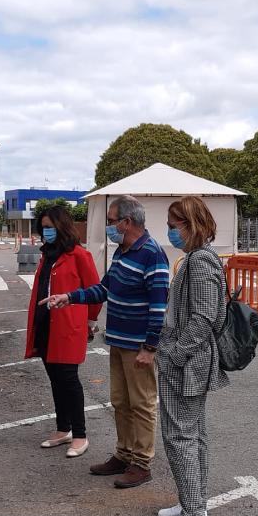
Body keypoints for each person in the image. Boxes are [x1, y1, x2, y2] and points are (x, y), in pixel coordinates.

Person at [43, 194, 169, 489]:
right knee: (121, 402)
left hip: (139, 346)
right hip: (119, 341)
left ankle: (141, 462)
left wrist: (150, 347)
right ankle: (124, 454)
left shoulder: (152, 253)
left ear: (127, 222)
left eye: (112, 222)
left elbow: (159, 304)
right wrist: (70, 297)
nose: (109, 227)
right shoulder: (123, 252)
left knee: (141, 404)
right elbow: (103, 289)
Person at [152, 196, 228, 516]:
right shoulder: (196, 259)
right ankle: (194, 503)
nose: (169, 231)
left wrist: (174, 356)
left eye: (173, 225)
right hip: (186, 361)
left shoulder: (200, 262)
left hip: (186, 365)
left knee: (180, 436)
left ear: (190, 225)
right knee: (192, 435)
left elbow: (204, 318)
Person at [24, 205, 101, 458]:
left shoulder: (80, 255)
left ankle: (80, 435)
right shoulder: (48, 255)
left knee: (69, 380)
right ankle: (63, 428)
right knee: (55, 379)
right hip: (46, 325)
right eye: (43, 228)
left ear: (62, 227)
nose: (46, 232)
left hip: (69, 326)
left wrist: (91, 322)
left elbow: (95, 292)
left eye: (50, 227)